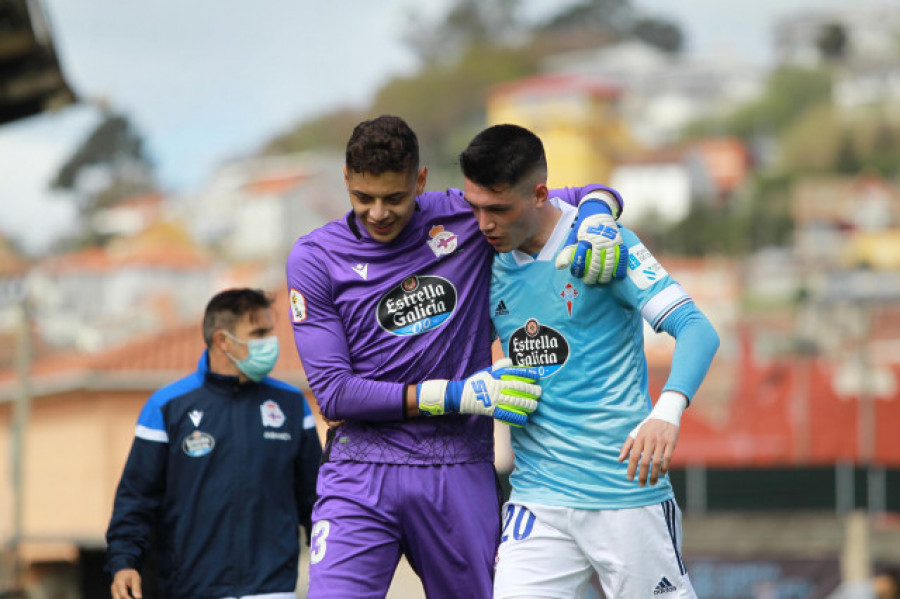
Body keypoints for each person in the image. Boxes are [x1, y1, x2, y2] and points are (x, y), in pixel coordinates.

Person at [285, 114, 627, 599]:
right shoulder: (315, 258)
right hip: (360, 471)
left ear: (420, 180)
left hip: (456, 466)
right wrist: (458, 394)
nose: (379, 212)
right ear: (346, 181)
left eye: (395, 198)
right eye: (364, 198)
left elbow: (585, 193)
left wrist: (596, 218)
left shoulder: (468, 215)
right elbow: (335, 394)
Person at [458, 123, 720, 598]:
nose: (484, 224)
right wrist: (482, 383)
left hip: (624, 491)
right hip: (538, 499)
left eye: (498, 209)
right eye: (474, 208)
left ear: (540, 194)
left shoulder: (601, 241)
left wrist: (667, 412)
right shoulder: (484, 259)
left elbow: (698, 330)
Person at [105, 288, 321, 599]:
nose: (270, 343)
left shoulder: (291, 404)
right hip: (190, 588)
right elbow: (136, 498)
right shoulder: (167, 405)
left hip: (273, 588)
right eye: (258, 333)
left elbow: (316, 500)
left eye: (269, 332)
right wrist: (124, 562)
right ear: (222, 340)